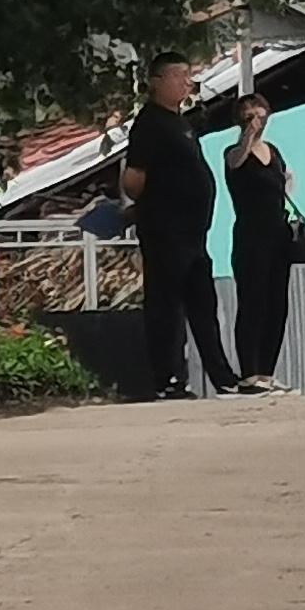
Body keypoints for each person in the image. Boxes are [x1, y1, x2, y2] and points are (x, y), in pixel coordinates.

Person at [114, 54, 240, 400]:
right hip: (166, 232)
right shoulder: (149, 124)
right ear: (156, 82)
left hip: (193, 234)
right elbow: (133, 180)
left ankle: (223, 377)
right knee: (166, 306)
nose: (187, 82)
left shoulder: (180, 122)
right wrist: (156, 202)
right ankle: (166, 379)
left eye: (189, 75)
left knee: (203, 305)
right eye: (179, 75)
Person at [223, 90, 299, 392]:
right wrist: (247, 137)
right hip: (251, 237)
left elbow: (284, 181)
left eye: (259, 112)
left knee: (276, 305)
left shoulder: (273, 151)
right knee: (252, 303)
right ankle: (249, 374)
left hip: (278, 235)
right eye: (248, 114)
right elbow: (235, 162)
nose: (255, 119)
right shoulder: (234, 152)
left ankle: (267, 373)